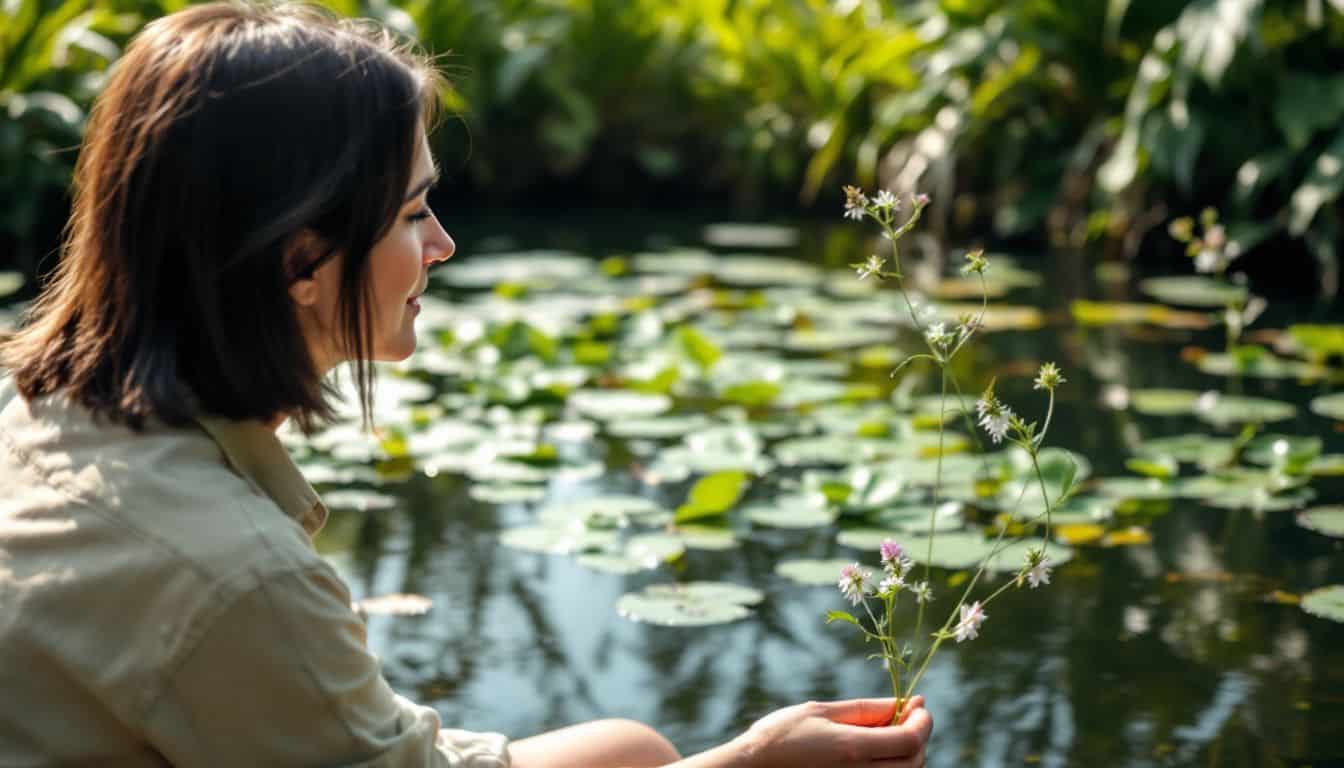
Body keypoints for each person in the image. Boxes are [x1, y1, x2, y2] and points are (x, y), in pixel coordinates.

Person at [0, 2, 934, 766]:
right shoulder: (238, 577)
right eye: (413, 212)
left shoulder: (38, 408)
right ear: (302, 264)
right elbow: (252, 624)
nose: (442, 245)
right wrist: (748, 767)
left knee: (628, 746)